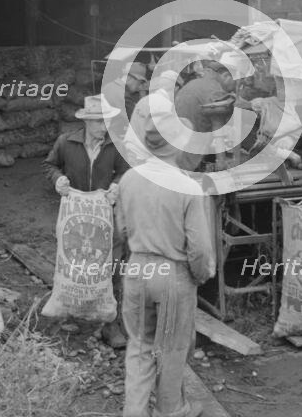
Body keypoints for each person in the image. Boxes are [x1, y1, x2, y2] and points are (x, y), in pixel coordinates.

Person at [116, 114, 215, 417]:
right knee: (172, 350)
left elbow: (121, 231)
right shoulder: (186, 186)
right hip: (172, 274)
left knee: (140, 346)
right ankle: (171, 411)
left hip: (136, 269)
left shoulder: (128, 179)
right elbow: (199, 249)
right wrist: (199, 276)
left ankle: (134, 412)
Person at [43, 94, 130, 349]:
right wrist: (57, 179)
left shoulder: (115, 145)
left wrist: (116, 185)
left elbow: (126, 170)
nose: (103, 128)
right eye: (98, 123)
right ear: (87, 123)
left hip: (105, 214)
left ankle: (110, 322)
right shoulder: (66, 142)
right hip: (76, 214)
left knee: (110, 263)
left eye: (106, 122)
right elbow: (49, 165)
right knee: (74, 260)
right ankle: (69, 310)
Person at [123, 70, 180, 164]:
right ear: (176, 88)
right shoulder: (165, 105)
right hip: (142, 156)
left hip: (130, 150)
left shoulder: (145, 100)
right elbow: (163, 138)